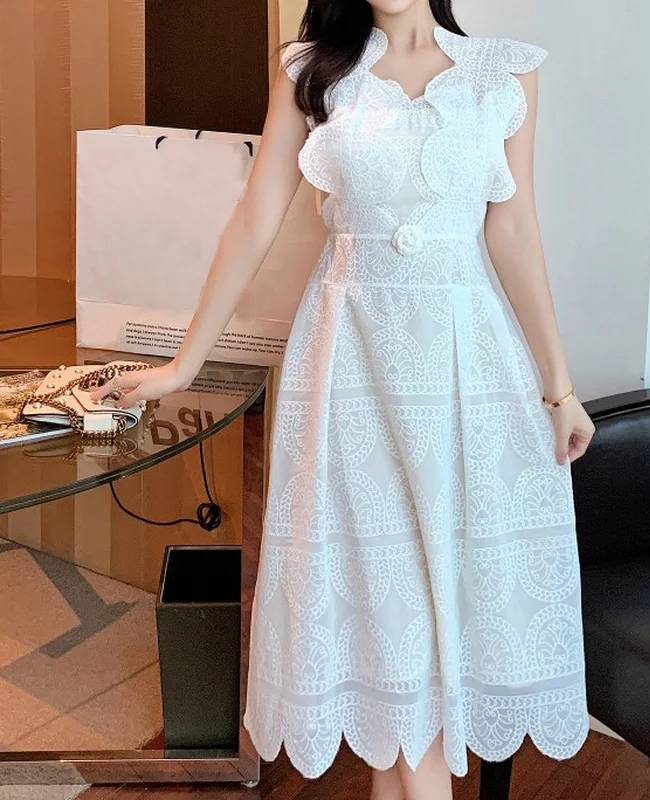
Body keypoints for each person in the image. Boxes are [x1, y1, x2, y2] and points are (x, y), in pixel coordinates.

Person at [92, 0, 597, 796]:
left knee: (434, 640)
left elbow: (513, 232)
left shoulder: (505, 74)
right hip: (349, 374)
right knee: (388, 629)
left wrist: (558, 388)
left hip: (466, 381)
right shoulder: (313, 72)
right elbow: (254, 220)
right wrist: (184, 364)